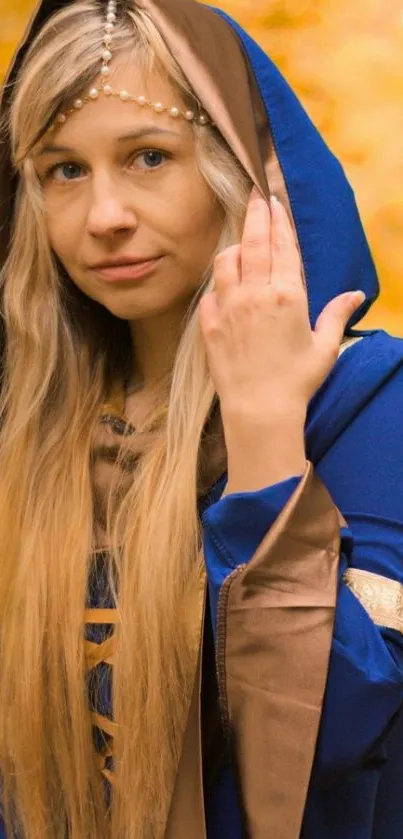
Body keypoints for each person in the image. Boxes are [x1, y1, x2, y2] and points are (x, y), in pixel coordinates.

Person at [0, 0, 403, 837]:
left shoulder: (364, 399)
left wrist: (261, 437)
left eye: (148, 157)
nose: (104, 216)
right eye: (63, 170)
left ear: (241, 176)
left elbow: (334, 748)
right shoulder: (22, 427)